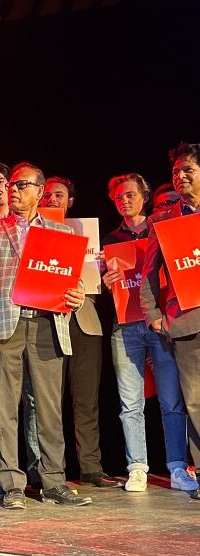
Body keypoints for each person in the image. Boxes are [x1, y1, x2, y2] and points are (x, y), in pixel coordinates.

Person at [0, 162, 92, 510]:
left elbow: (73, 283)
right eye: (10, 185)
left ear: (39, 191)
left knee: (48, 408)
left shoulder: (62, 233)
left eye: (20, 185)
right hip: (4, 325)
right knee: (3, 408)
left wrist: (77, 297)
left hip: (47, 323)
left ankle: (53, 482)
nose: (12, 190)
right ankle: (12, 483)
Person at [101, 173, 195, 493]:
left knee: (171, 400)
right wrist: (104, 281)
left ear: (144, 195)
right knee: (130, 403)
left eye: (129, 195)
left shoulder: (164, 225)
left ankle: (177, 467)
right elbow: (100, 288)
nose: (124, 201)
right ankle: (137, 466)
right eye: (118, 198)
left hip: (160, 323)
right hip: (125, 326)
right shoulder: (111, 239)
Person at [40, 176, 122, 489]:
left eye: (59, 195)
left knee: (86, 399)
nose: (52, 200)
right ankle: (51, 472)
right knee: (47, 403)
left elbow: (95, 282)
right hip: (47, 322)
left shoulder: (86, 233)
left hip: (84, 321)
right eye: (46, 194)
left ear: (70, 201)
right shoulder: (32, 232)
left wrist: (102, 271)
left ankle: (91, 466)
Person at [141, 143, 200, 501]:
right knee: (195, 401)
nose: (179, 177)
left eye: (187, 170)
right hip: (187, 321)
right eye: (175, 172)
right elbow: (149, 276)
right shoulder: (163, 220)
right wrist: (153, 316)